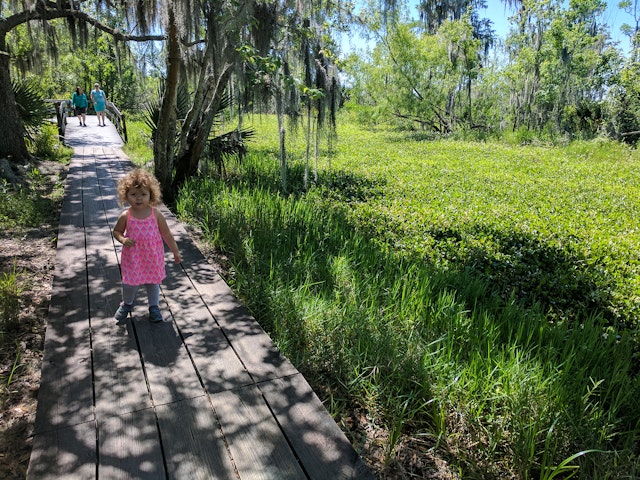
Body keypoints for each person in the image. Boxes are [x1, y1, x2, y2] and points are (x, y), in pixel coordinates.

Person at [112, 169, 182, 323]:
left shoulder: (155, 214)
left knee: (153, 283)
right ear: (126, 195)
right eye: (133, 194)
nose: (138, 198)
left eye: (143, 194)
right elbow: (116, 231)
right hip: (133, 257)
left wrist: (175, 251)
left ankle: (154, 307)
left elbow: (167, 234)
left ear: (151, 195)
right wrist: (123, 239)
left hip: (152, 256)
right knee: (130, 283)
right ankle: (127, 304)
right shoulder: (126, 215)